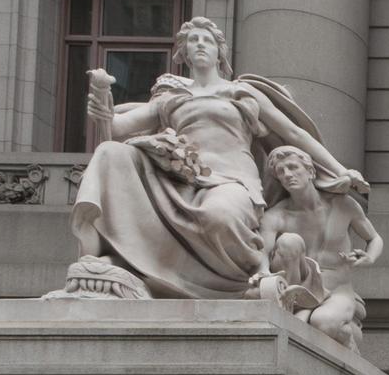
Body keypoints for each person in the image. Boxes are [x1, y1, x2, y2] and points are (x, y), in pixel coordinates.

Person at [66, 15, 369, 301]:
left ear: (219, 53)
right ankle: (102, 253)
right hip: (180, 179)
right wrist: (103, 108)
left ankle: (249, 275)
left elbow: (293, 133)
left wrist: (338, 169)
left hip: (231, 181)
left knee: (219, 217)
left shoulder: (241, 92)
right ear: (183, 53)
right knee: (110, 152)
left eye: (206, 40)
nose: (199, 44)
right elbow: (115, 131)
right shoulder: (171, 99)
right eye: (193, 40)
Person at [252, 144, 383, 348]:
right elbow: (263, 253)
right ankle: (295, 311)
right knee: (288, 241)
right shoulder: (276, 216)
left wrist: (370, 257)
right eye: (281, 171)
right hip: (297, 289)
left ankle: (347, 338)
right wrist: (262, 272)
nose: (287, 175)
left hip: (337, 289)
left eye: (293, 167)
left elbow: (374, 238)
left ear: (311, 171)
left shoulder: (343, 205)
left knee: (322, 323)